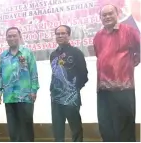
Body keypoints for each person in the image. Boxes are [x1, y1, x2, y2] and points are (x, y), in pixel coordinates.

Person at [93, 5, 140, 142]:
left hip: (123, 88)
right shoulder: (98, 36)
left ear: (117, 14)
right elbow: (99, 55)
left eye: (110, 14)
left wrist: (134, 61)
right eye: (104, 15)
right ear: (100, 18)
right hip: (103, 90)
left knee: (125, 126)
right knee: (106, 125)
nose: (107, 17)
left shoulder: (129, 31)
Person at [0, 27, 39, 142]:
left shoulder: (27, 52)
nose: (12, 38)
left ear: (19, 37)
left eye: (14, 35)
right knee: (13, 127)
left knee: (26, 126)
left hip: (25, 96)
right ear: (6, 38)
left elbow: (33, 72)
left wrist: (34, 91)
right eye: (9, 36)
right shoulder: (3, 55)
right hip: (9, 96)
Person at [49, 25, 88, 142]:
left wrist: (73, 89)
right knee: (57, 128)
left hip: (72, 98)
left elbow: (84, 75)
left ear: (69, 35)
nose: (60, 36)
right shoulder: (53, 55)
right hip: (56, 97)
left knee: (75, 128)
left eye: (63, 33)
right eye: (58, 34)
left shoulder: (76, 53)